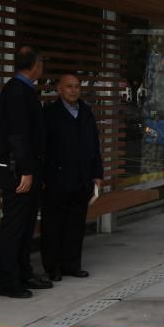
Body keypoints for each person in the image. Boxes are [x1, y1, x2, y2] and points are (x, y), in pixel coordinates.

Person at [0, 46, 53, 298]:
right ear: (36, 65)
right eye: (42, 62)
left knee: (27, 224)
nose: (43, 67)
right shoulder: (17, 92)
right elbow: (17, 136)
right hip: (17, 171)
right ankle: (9, 282)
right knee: (15, 226)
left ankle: (23, 272)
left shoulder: (23, 90)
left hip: (27, 168)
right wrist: (27, 171)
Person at [41, 72, 103, 280]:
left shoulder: (86, 112)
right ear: (59, 89)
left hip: (82, 178)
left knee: (76, 225)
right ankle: (53, 267)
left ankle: (72, 265)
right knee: (54, 225)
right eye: (69, 86)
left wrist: (97, 174)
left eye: (77, 86)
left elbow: (95, 145)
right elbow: (43, 148)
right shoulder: (50, 114)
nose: (74, 90)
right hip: (57, 179)